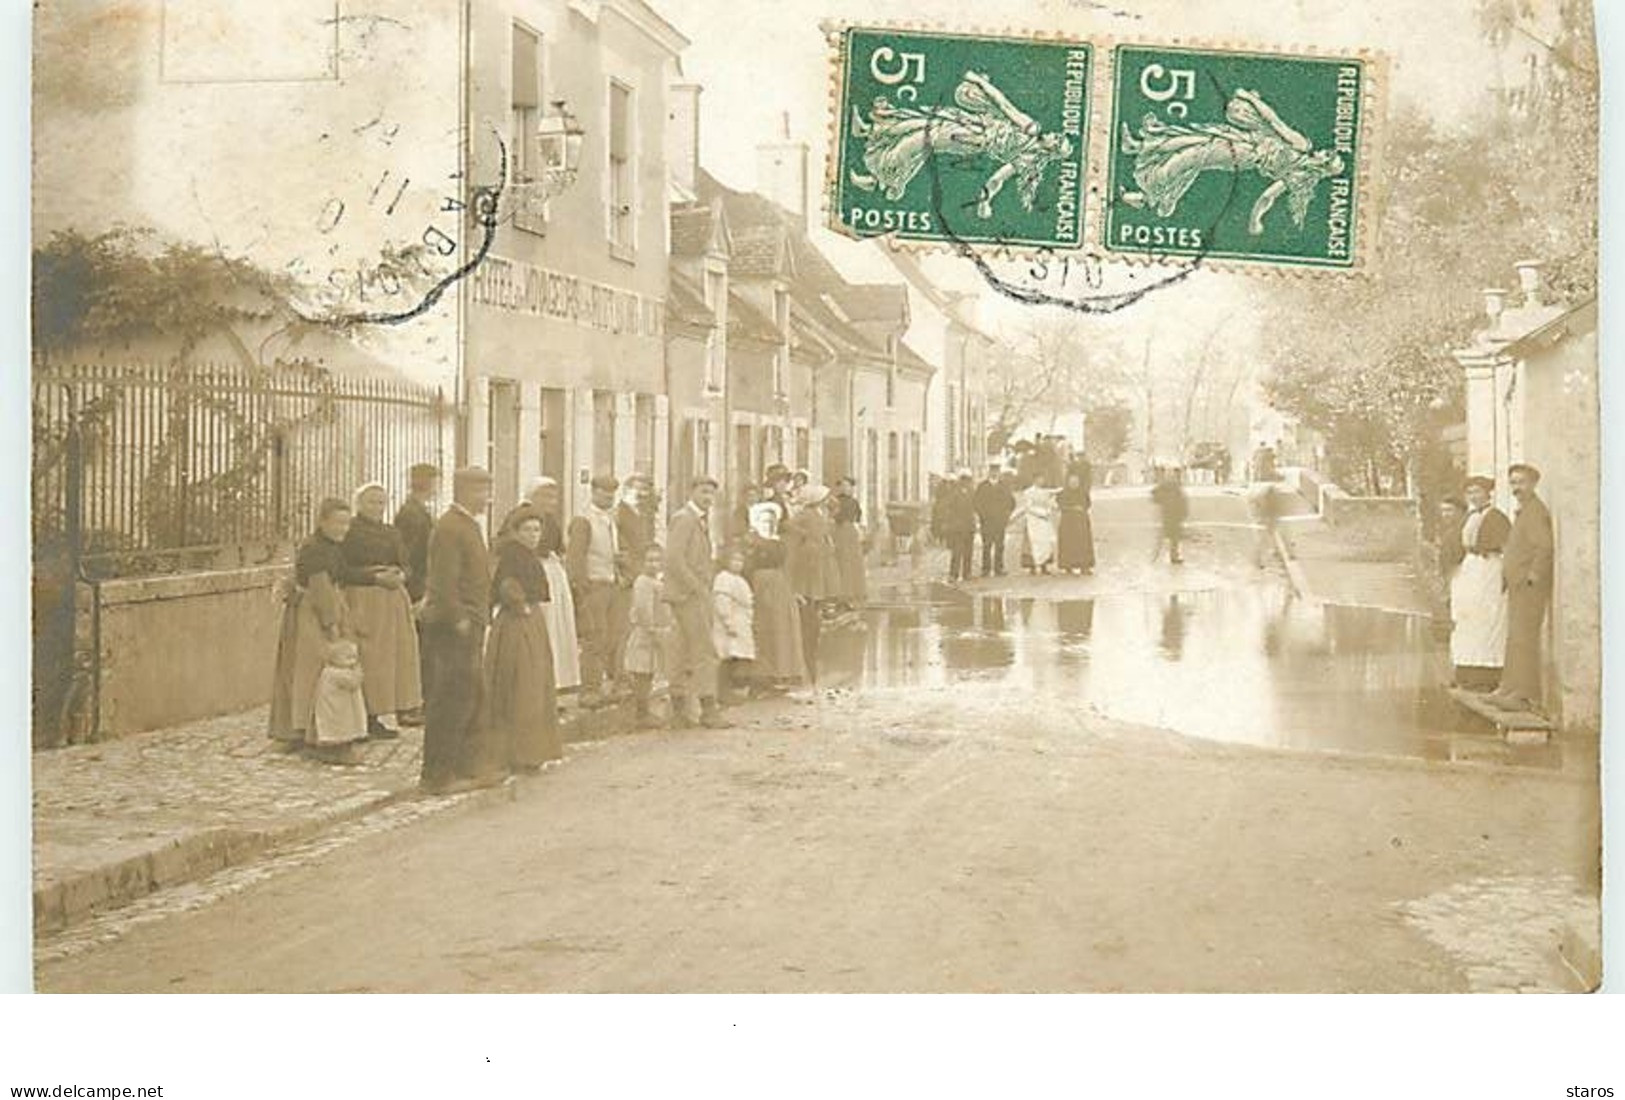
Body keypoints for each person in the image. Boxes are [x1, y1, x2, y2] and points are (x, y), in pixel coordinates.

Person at [418, 467, 498, 795]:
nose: (487, 498)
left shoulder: (466, 525)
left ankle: (464, 767)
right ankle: (437, 776)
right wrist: (459, 618)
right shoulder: (450, 527)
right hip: (455, 627)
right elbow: (444, 580)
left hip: (471, 622)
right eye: (482, 491)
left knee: (469, 696)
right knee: (449, 698)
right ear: (464, 491)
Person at [269, 498, 361, 760]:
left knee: (305, 672)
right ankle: (317, 734)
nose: (343, 529)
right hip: (313, 616)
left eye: (346, 523)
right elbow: (321, 589)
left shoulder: (330, 547)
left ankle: (301, 729)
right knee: (314, 671)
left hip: (316, 610)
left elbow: (344, 574)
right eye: (338, 523)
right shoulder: (316, 550)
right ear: (322, 522)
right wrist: (332, 627)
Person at [485, 503, 562, 774]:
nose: (533, 535)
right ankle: (519, 753)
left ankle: (531, 751)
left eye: (537, 530)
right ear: (515, 532)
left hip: (531, 622)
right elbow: (506, 585)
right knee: (522, 685)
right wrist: (519, 604)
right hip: (518, 625)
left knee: (533, 684)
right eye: (527, 530)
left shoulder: (527, 555)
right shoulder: (512, 555)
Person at [341, 482, 422, 738]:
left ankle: (382, 712)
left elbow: (407, 563)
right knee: (368, 657)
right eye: (371, 502)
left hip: (392, 600)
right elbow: (342, 569)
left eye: (381, 503)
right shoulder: (350, 531)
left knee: (391, 659)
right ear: (359, 504)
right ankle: (363, 716)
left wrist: (400, 574)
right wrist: (374, 576)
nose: (377, 507)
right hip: (363, 599)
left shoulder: (391, 533)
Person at [1487, 464, 1553, 713]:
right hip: (1517, 586)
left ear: (1534, 484)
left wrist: (1532, 577)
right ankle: (1509, 688)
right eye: (1513, 483)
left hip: (1528, 588)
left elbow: (1544, 548)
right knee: (1515, 637)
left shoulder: (1535, 512)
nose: (1517, 488)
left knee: (1524, 639)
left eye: (1521, 482)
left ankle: (1524, 695)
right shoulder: (1525, 511)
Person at [665, 476, 729, 729]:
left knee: (681, 651)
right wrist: (698, 588)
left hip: (687, 595)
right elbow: (674, 559)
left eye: (711, 494)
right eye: (703, 492)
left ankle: (679, 711)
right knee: (704, 651)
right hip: (688, 595)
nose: (707, 498)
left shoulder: (699, 521)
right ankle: (708, 710)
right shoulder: (684, 519)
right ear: (691, 491)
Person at [1449, 476, 1510, 692]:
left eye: (1478, 491)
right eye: (1470, 492)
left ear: (1488, 493)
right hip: (1471, 568)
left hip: (1490, 567)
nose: (1474, 496)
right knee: (1469, 617)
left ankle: (1487, 675)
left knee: (1488, 617)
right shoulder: (1469, 517)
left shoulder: (1497, 517)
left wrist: (1505, 577)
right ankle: (1466, 670)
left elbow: (1506, 547)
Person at [567, 474, 623, 704]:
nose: (608, 496)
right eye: (604, 492)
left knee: (609, 638)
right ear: (593, 492)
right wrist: (582, 588)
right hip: (593, 586)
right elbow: (576, 557)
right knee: (593, 638)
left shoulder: (609, 520)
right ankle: (589, 690)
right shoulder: (584, 520)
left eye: (612, 493)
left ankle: (600, 686)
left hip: (611, 584)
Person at [525, 477, 582, 698]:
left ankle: (559, 676)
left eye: (553, 497)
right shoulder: (524, 516)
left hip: (553, 573)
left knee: (558, 624)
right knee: (545, 622)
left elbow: (559, 546)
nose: (551, 502)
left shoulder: (550, 519)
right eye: (545, 496)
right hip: (537, 571)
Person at [393, 463, 438, 727]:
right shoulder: (411, 514)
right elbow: (409, 555)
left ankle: (418, 701)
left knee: (423, 646)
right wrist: (418, 592)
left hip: (421, 584)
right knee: (417, 647)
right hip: (416, 587)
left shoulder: (418, 510)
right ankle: (412, 704)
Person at [743, 501, 805, 695]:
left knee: (779, 629)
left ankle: (779, 674)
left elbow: (784, 561)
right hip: (758, 586)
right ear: (755, 523)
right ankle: (760, 677)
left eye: (771, 521)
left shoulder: (778, 544)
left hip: (778, 587)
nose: (767, 525)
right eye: (763, 521)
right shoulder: (751, 542)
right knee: (761, 631)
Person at [785, 483, 838, 684]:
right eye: (824, 498)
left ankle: (810, 662)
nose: (827, 501)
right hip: (806, 564)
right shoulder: (806, 514)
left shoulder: (818, 513)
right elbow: (789, 526)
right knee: (807, 617)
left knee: (814, 612)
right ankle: (805, 664)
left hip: (817, 564)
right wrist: (805, 537)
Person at [623, 544, 675, 730]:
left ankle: (647, 711)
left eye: (658, 560)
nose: (654, 564)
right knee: (642, 673)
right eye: (649, 560)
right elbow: (643, 608)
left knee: (650, 672)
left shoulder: (658, 582)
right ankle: (641, 713)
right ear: (642, 562)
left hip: (657, 631)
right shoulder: (643, 582)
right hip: (646, 633)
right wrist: (651, 628)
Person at [712, 545, 756, 706]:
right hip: (730, 623)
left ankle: (732, 692)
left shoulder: (741, 580)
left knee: (739, 658)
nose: (738, 563)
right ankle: (722, 692)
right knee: (727, 658)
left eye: (740, 560)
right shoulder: (723, 579)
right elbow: (721, 602)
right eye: (734, 560)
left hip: (742, 622)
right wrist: (728, 622)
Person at [312, 639, 368, 762]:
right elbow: (355, 681)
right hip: (338, 712)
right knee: (340, 733)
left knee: (336, 732)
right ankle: (341, 754)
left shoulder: (328, 672)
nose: (353, 661)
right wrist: (358, 670)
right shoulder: (338, 674)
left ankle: (337, 751)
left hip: (336, 709)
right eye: (348, 658)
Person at [830, 476, 867, 610]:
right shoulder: (835, 501)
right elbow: (832, 516)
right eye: (842, 485)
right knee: (841, 562)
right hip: (838, 531)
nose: (845, 488)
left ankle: (854, 593)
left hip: (850, 532)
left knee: (853, 562)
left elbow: (858, 517)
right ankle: (842, 594)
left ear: (852, 488)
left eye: (848, 486)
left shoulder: (854, 502)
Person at [973, 465, 1016, 578]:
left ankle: (999, 568)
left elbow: (1011, 502)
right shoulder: (982, 486)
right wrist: (982, 515)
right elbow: (976, 502)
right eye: (992, 471)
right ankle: (985, 569)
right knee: (987, 545)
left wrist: (1006, 515)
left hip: (1000, 521)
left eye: (996, 471)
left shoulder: (1004, 486)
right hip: (986, 521)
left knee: (1000, 545)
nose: (994, 473)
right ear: (989, 472)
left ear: (999, 472)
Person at [936, 470, 978, 583]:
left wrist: (976, 521)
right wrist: (949, 522)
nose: (966, 482)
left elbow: (977, 507)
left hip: (969, 526)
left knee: (968, 551)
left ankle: (967, 573)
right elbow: (947, 508)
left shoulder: (972, 492)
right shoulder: (954, 493)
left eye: (968, 479)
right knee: (957, 551)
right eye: (963, 479)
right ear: (960, 480)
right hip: (958, 527)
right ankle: (953, 574)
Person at [1015, 474, 1060, 574]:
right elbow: (1028, 506)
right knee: (1033, 542)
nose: (1041, 481)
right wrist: (1040, 512)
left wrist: (1050, 509)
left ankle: (1044, 565)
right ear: (1034, 480)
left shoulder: (1045, 492)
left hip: (1044, 521)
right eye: (1039, 479)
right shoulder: (1028, 492)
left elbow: (1050, 503)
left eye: (1042, 479)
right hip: (1033, 520)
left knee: (1045, 542)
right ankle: (1032, 565)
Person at [1056, 470, 1096, 575]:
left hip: (1081, 521)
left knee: (1083, 544)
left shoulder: (1083, 492)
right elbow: (1060, 505)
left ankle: (1084, 566)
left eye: (1076, 482)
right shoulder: (1063, 493)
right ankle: (1068, 566)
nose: (1074, 484)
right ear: (1068, 482)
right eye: (1072, 482)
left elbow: (1088, 503)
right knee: (1068, 543)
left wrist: (1081, 509)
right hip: (1068, 522)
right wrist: (1072, 508)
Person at [1151, 470, 1189, 565]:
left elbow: (1155, 495)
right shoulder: (1174, 489)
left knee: (1171, 537)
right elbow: (1183, 503)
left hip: (1171, 515)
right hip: (1172, 515)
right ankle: (1168, 556)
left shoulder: (1171, 488)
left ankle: (1158, 556)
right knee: (1173, 537)